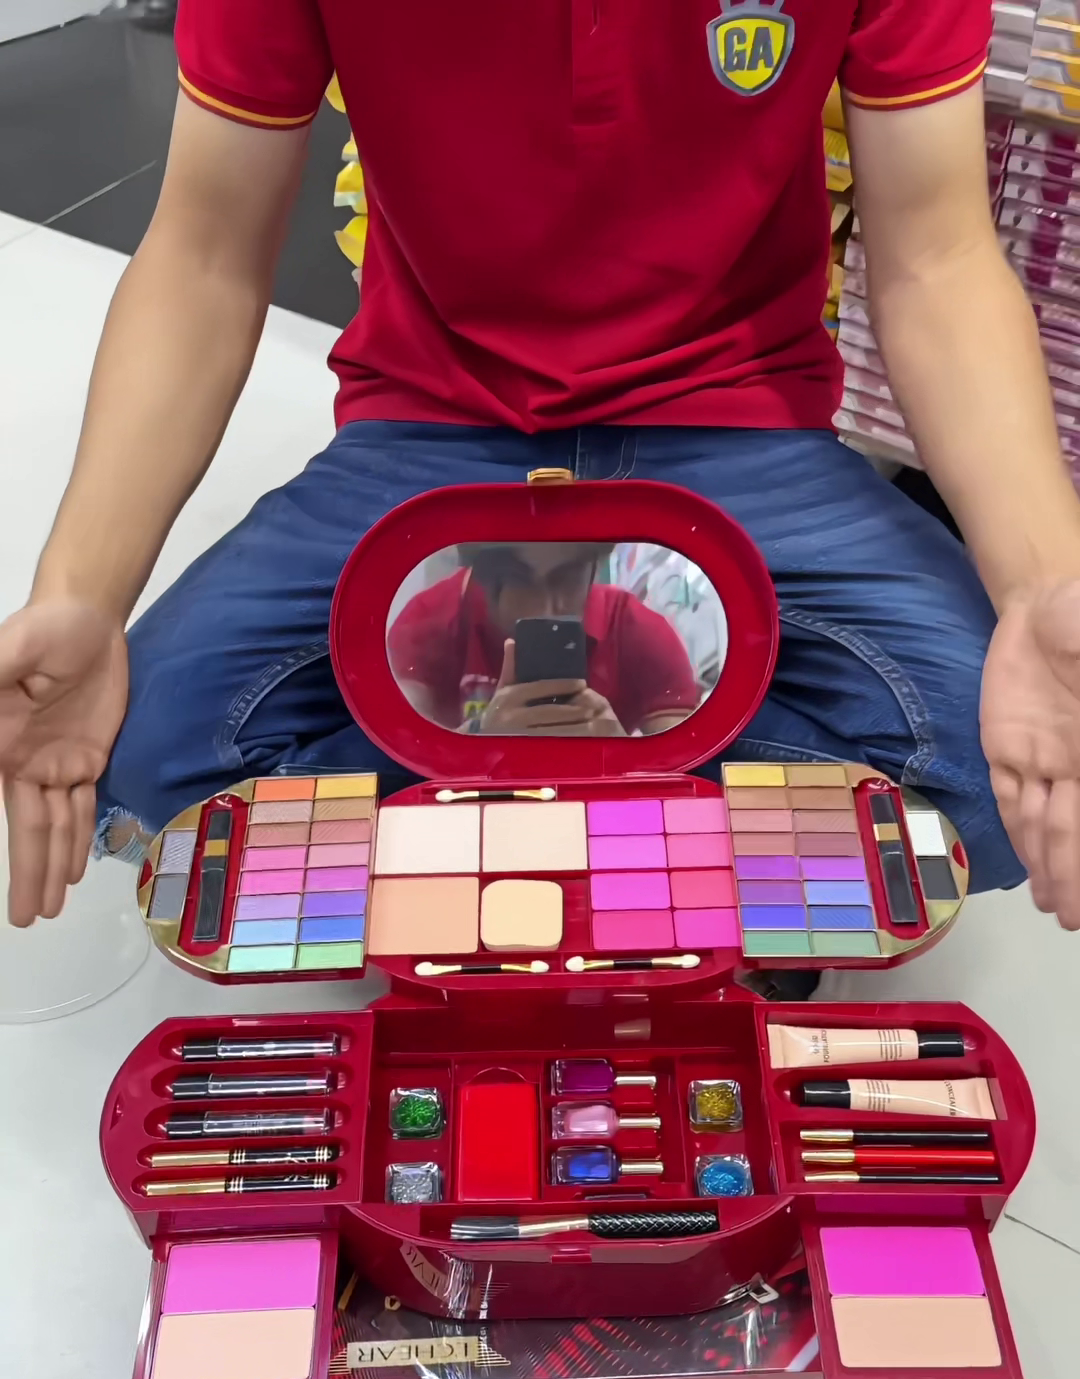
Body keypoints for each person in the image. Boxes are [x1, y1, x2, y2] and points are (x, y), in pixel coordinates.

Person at [3, 0, 1080, 934]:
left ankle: (490, 842)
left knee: (1009, 780)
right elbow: (202, 253)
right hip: (429, 422)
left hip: (739, 422)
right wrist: (81, 593)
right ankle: (665, 854)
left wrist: (1043, 585)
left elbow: (939, 257)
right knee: (145, 771)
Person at [388, 543, 703, 736]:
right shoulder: (432, 620)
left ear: (593, 571)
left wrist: (618, 749)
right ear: (482, 576)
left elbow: (689, 766)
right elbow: (399, 749)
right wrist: (480, 735)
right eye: (519, 578)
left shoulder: (635, 628)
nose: (546, 608)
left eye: (567, 578)